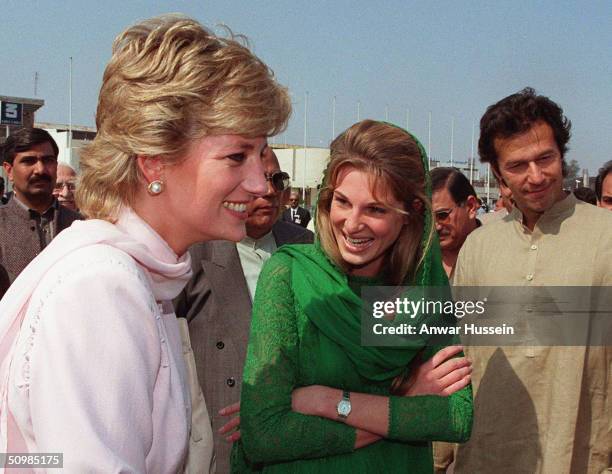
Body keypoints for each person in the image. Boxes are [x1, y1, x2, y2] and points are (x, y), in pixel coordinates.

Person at [0, 14, 290, 473]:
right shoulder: (103, 287)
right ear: (155, 163)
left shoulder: (135, 274)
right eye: (236, 156)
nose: (260, 184)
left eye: (260, 157)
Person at [233, 120, 473, 473]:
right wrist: (403, 401)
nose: (351, 223)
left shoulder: (421, 289)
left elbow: (455, 418)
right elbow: (265, 434)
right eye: (342, 202)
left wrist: (326, 401)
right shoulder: (291, 275)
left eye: (375, 209)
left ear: (410, 216)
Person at [452, 88, 612, 473]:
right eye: (518, 165)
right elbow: (457, 360)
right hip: (485, 458)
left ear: (562, 156)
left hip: (582, 458)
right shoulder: (478, 247)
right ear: (497, 175)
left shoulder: (606, 237)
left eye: (546, 158)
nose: (536, 176)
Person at [174, 148, 313, 473]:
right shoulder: (194, 251)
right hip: (223, 438)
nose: (267, 191)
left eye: (276, 180)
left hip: (301, 431)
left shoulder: (306, 246)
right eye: (256, 180)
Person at [0, 128, 82, 284]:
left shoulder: (80, 226)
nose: (40, 170)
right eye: (29, 161)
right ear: (9, 171)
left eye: (48, 160)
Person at [430, 167, 480, 278]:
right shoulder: (416, 261)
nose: (435, 226)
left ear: (470, 206)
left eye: (442, 215)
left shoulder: (497, 254)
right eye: (428, 218)